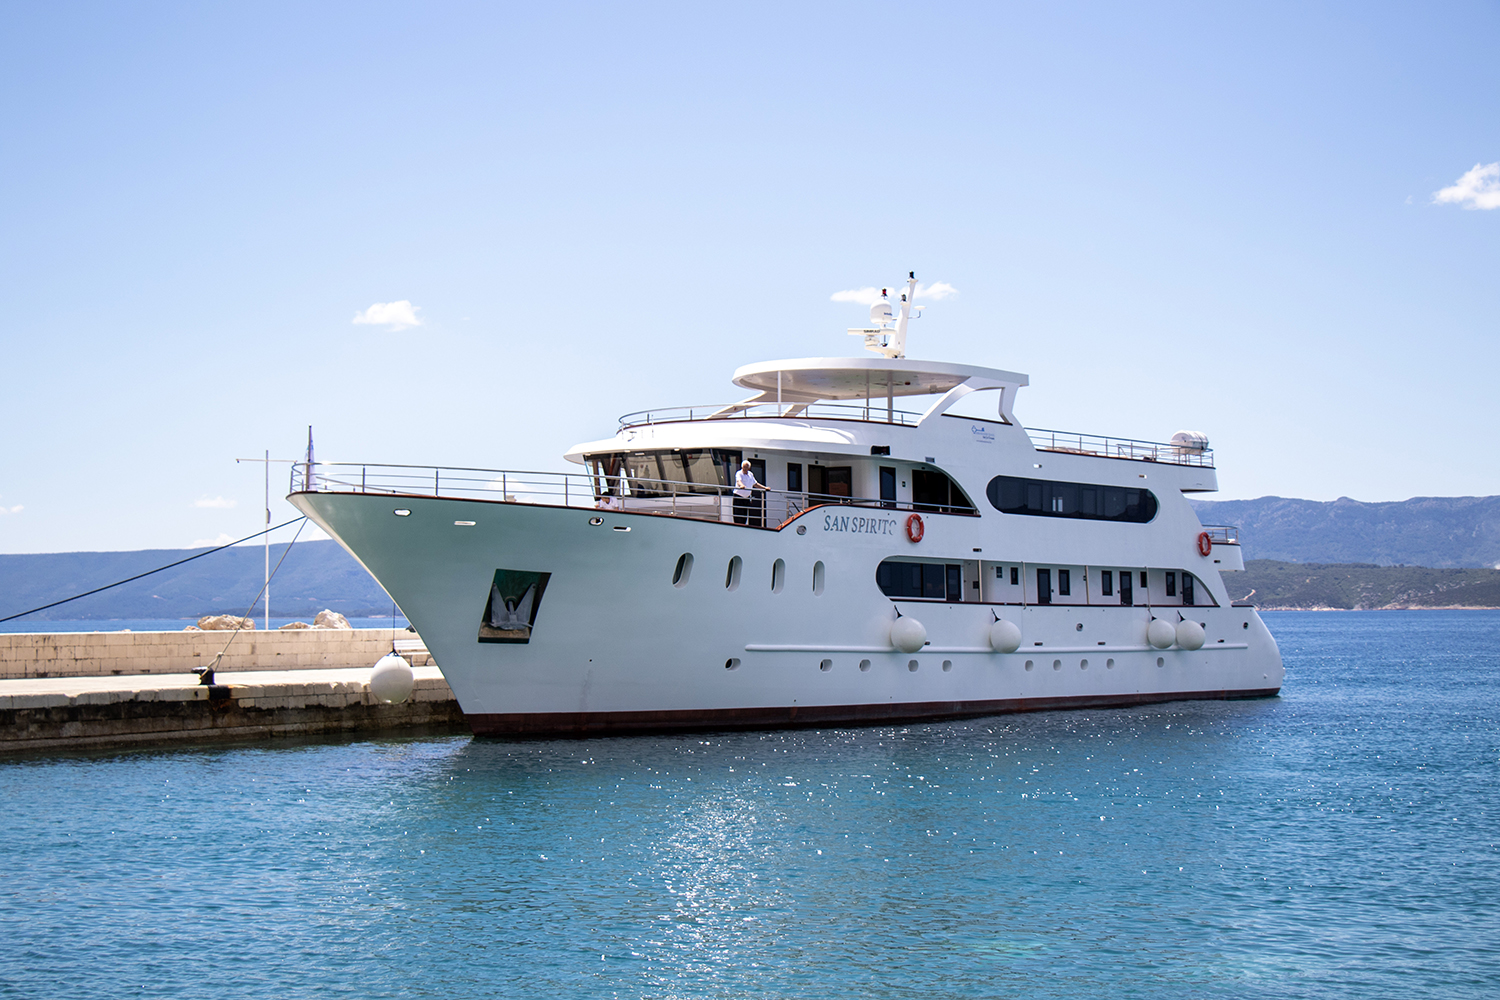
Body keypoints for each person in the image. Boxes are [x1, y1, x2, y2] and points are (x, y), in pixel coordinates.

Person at [733, 460, 764, 526]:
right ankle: (738, 527)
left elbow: (755, 484)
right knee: (738, 515)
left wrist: (764, 488)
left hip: (746, 498)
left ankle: (743, 527)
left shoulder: (750, 474)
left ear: (749, 468)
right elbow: (738, 481)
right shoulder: (739, 473)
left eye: (746, 467)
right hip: (738, 497)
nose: (744, 468)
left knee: (745, 515)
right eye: (744, 467)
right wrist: (741, 485)